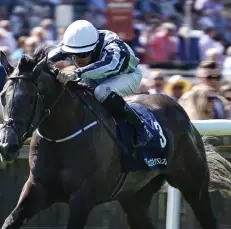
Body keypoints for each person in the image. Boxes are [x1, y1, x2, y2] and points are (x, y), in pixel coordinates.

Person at [47, 20, 152, 149]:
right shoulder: (74, 42)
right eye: (72, 54)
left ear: (95, 47)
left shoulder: (114, 45)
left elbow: (110, 65)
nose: (77, 59)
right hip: (95, 75)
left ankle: (139, 126)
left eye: (82, 54)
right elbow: (45, 58)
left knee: (101, 92)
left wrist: (77, 73)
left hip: (125, 74)